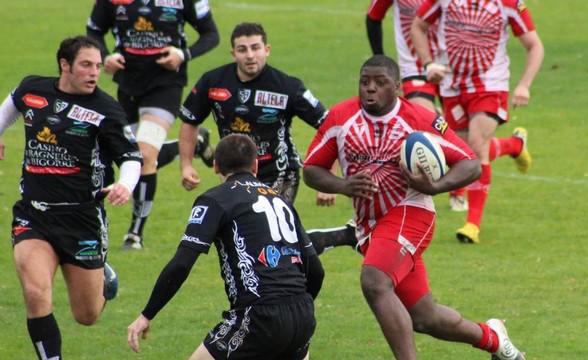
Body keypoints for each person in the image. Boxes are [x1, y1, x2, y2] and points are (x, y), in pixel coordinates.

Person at [303, 55, 526, 360]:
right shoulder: (341, 117)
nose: (370, 89)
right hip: (372, 227)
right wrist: (344, 185)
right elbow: (312, 169)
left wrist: (435, 187)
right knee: (425, 317)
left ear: (397, 87)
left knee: (374, 281)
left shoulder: (419, 120)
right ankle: (493, 338)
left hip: (411, 212)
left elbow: (471, 163)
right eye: (364, 82)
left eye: (380, 83)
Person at [0, 36, 142, 360]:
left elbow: (132, 157)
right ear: (65, 65)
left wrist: (126, 184)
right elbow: (6, 112)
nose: (95, 72)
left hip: (82, 220)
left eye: (98, 65)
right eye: (86, 65)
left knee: (87, 315)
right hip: (33, 215)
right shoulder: (32, 89)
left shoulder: (106, 109)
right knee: (36, 293)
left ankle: (105, 277)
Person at [127, 134, 324, 359]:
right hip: (302, 315)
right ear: (256, 165)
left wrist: (146, 315)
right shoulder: (281, 200)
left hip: (259, 317)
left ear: (215, 166)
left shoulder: (215, 200)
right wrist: (294, 308)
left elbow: (182, 264)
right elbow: (316, 271)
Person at [178, 22, 355, 254]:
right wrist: (186, 165)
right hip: (233, 175)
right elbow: (190, 122)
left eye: (255, 48)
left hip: (280, 173)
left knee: (263, 237)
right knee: (249, 240)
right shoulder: (213, 82)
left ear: (267, 49)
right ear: (233, 53)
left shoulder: (286, 87)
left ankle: (314, 249)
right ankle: (317, 241)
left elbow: (328, 126)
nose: (250, 55)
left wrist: (328, 177)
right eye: (242, 49)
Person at [87, 0, 220, 249]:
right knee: (136, 154)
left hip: (166, 86)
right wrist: (106, 56)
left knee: (144, 154)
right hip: (127, 86)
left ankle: (135, 233)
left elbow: (211, 34)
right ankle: (197, 141)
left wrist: (183, 54)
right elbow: (94, 29)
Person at [411, 0, 544, 243]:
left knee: (475, 144)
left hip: (490, 84)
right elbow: (418, 25)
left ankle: (472, 224)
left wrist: (524, 85)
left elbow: (534, 45)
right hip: (452, 85)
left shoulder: (509, 4)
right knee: (465, 152)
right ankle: (514, 145)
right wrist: (429, 63)